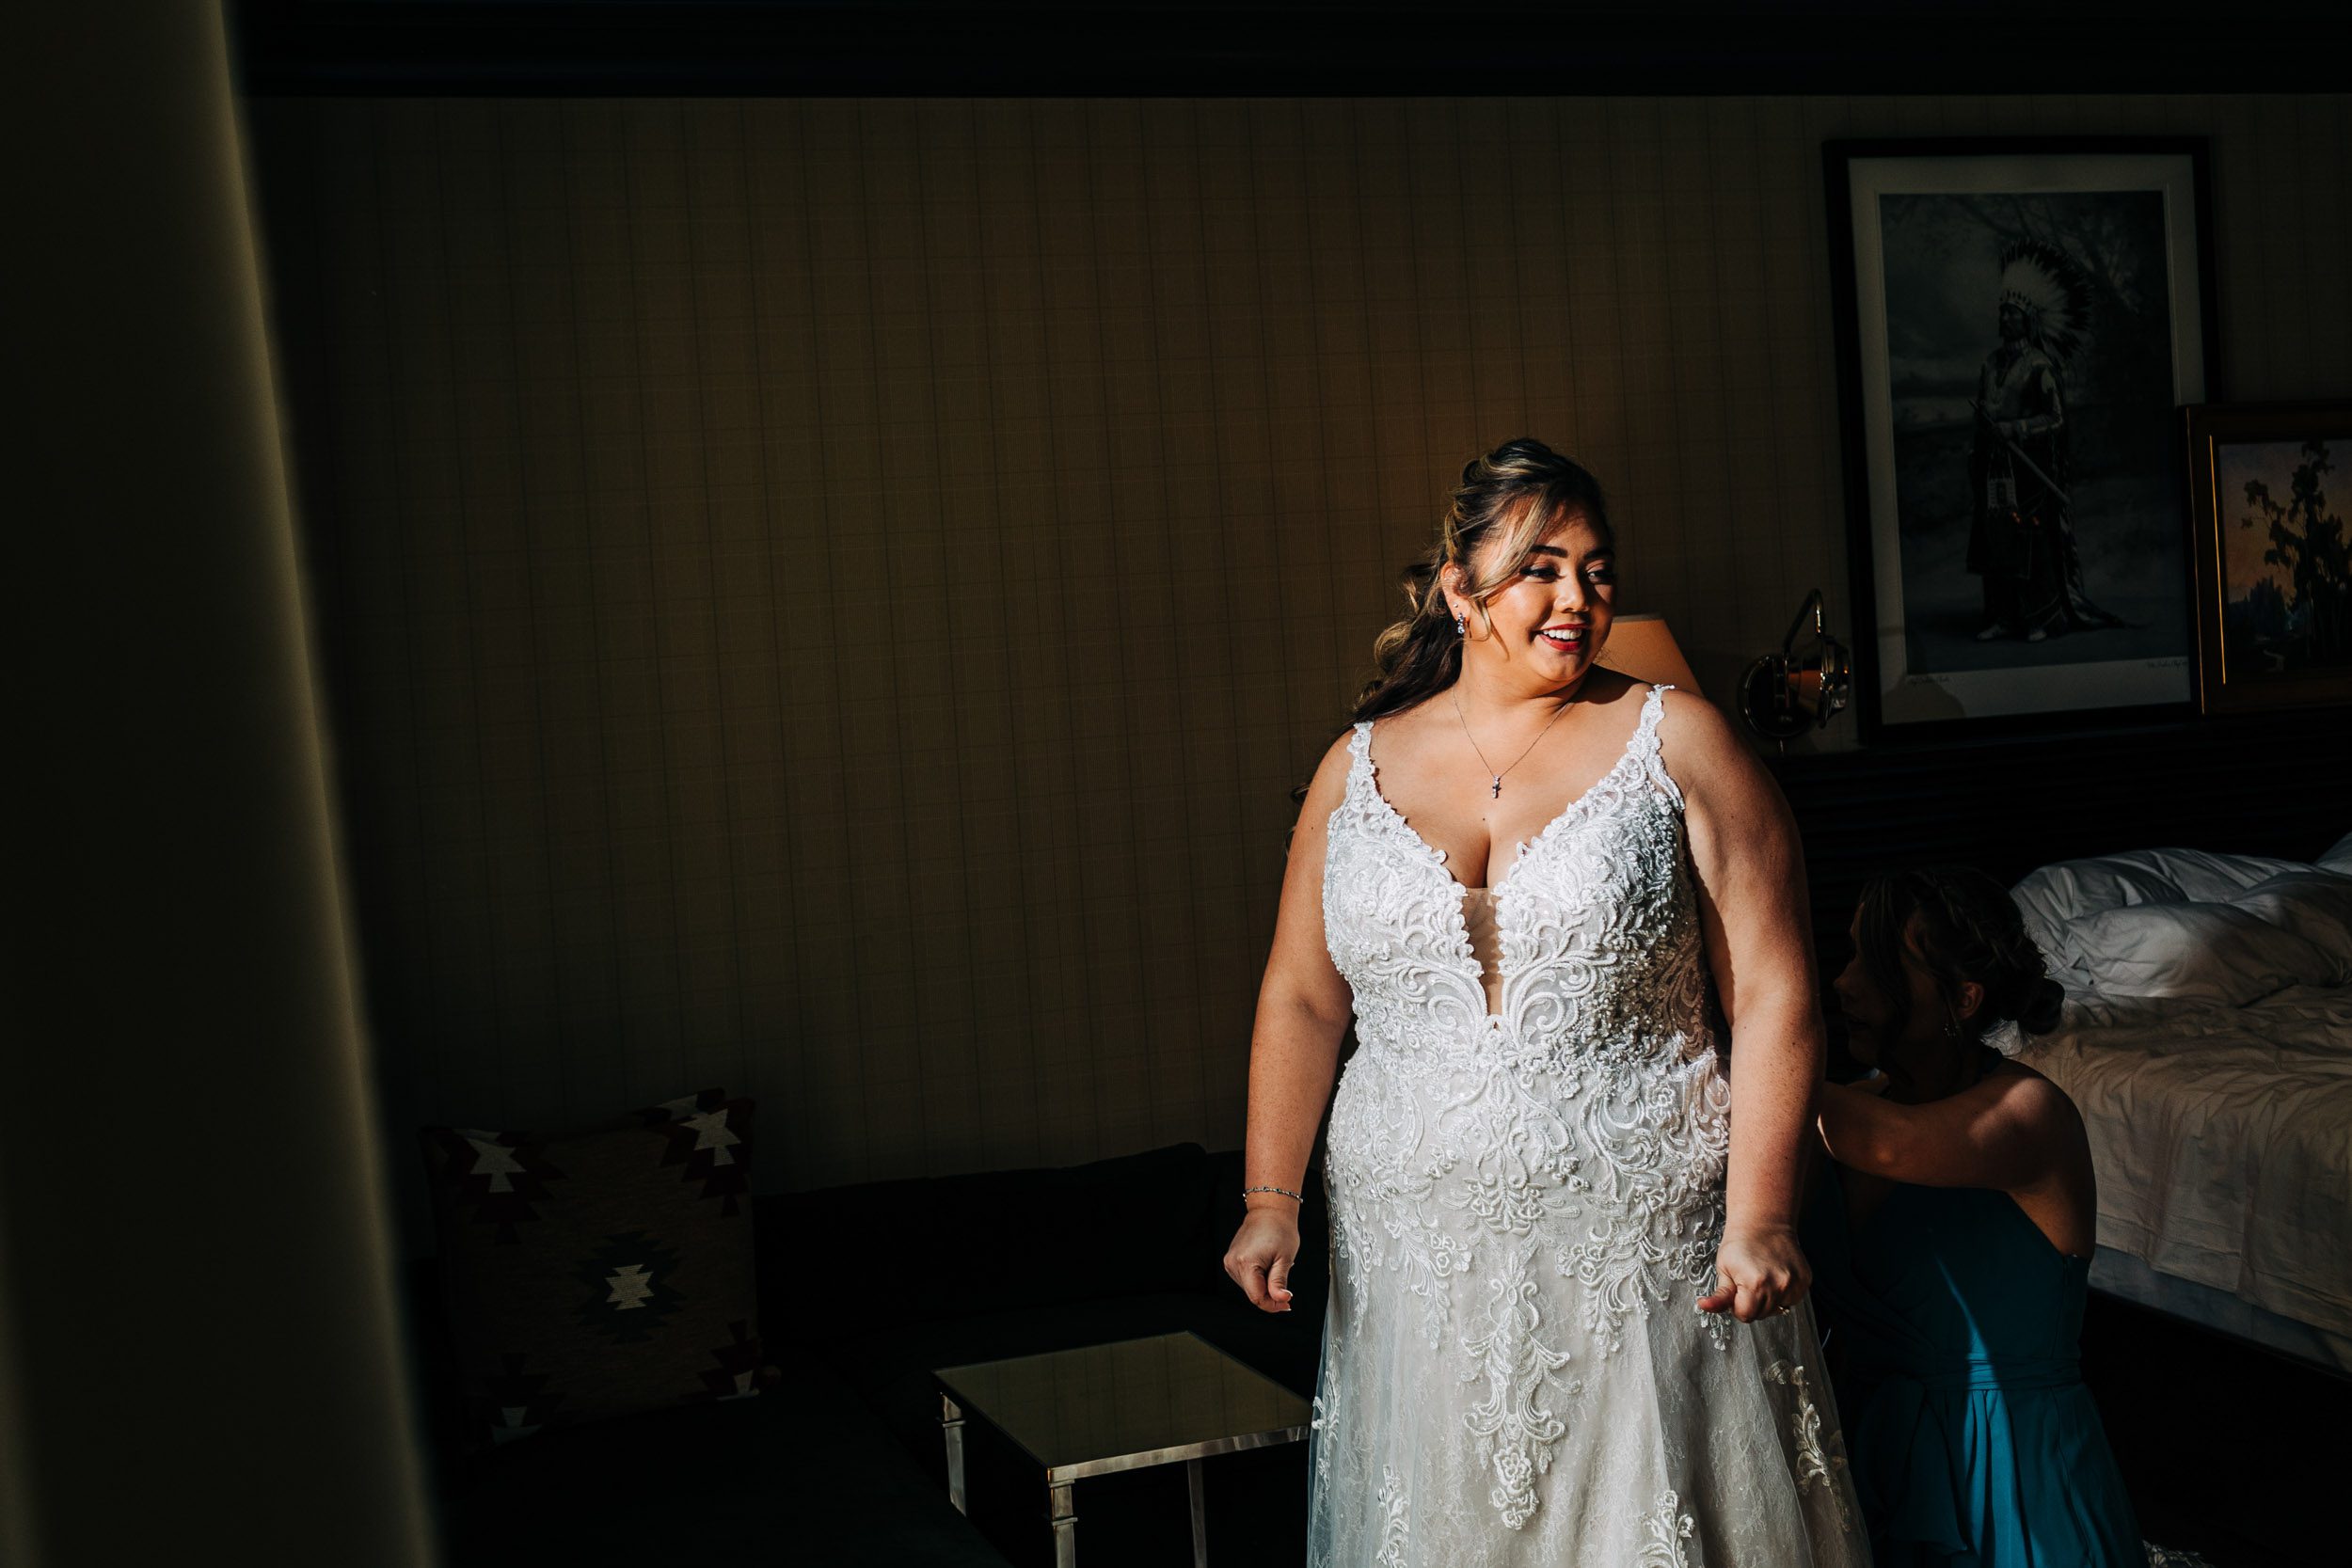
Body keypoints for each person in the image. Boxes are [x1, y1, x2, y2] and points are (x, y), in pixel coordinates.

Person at [1223, 438, 1865, 1564]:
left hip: (1641, 1253)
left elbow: (1773, 990)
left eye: (1598, 569)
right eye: (1542, 567)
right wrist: (1269, 1194)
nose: (1580, 598)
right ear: (1457, 591)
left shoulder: (1679, 739)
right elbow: (1301, 993)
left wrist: (1761, 1214)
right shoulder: (1354, 765)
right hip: (1414, 1259)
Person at [1806, 865, 2145, 1567]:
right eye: (1850, 955)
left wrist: (1745, 1049)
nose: (1844, 983)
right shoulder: (1843, 1105)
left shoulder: (2029, 1113)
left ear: (1962, 996)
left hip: (2013, 1473)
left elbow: (1889, 1142)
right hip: (1871, 1454)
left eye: (1879, 963)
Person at [1965, 237, 2129, 644]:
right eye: (2002, 312)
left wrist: (2017, 429)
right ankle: (2003, 617)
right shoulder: (1989, 365)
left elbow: (2056, 419)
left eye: (2012, 313)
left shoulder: (2041, 367)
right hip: (1994, 471)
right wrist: (1983, 443)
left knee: (2031, 544)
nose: (2004, 319)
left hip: (2030, 472)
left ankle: (2039, 619)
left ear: (2028, 321)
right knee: (1996, 543)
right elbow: (1984, 414)